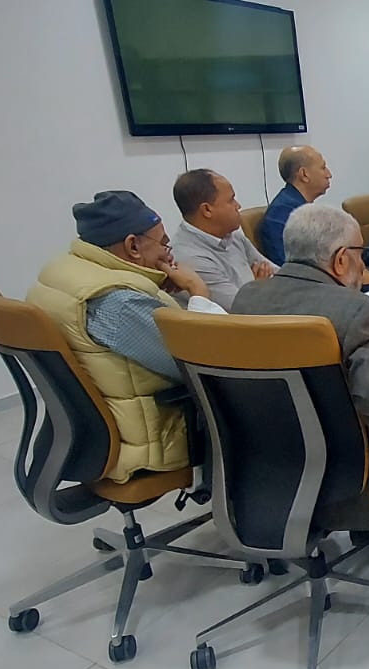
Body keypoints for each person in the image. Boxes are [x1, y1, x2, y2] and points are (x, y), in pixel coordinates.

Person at [231, 204, 369, 533]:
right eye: (360, 254)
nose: (363, 264)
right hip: (348, 466)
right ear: (341, 259)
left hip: (260, 456)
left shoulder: (247, 298)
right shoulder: (359, 311)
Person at [26, 191, 227, 482]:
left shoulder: (64, 273)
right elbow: (209, 365)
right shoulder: (119, 302)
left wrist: (151, 285)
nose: (169, 255)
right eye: (164, 244)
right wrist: (198, 292)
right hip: (156, 439)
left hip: (99, 430)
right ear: (133, 246)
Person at [168, 169, 276, 311]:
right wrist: (259, 289)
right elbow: (242, 309)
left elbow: (278, 274)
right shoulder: (190, 258)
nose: (238, 206)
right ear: (207, 210)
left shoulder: (232, 236)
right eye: (231, 200)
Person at [258, 145, 333, 264]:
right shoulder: (280, 215)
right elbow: (288, 266)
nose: (329, 174)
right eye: (323, 168)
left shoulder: (303, 208)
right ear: (304, 174)